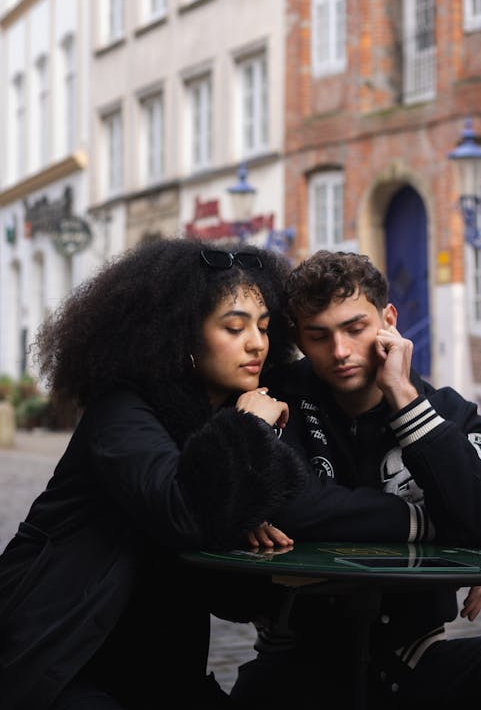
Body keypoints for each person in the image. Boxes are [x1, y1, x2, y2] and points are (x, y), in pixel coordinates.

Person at [0, 237, 313, 710]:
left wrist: (241, 519)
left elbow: (233, 602)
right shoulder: (122, 408)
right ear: (183, 336)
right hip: (61, 661)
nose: (256, 343)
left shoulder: (213, 421)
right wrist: (246, 426)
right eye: (234, 327)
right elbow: (181, 511)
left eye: (265, 328)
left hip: (161, 672)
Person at [230, 250, 481, 710]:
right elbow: (291, 505)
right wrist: (435, 526)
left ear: (388, 319)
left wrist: (405, 400)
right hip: (302, 659)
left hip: (415, 655)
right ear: (299, 337)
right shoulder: (273, 400)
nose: (339, 351)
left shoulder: (449, 412)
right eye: (319, 336)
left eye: (355, 329)